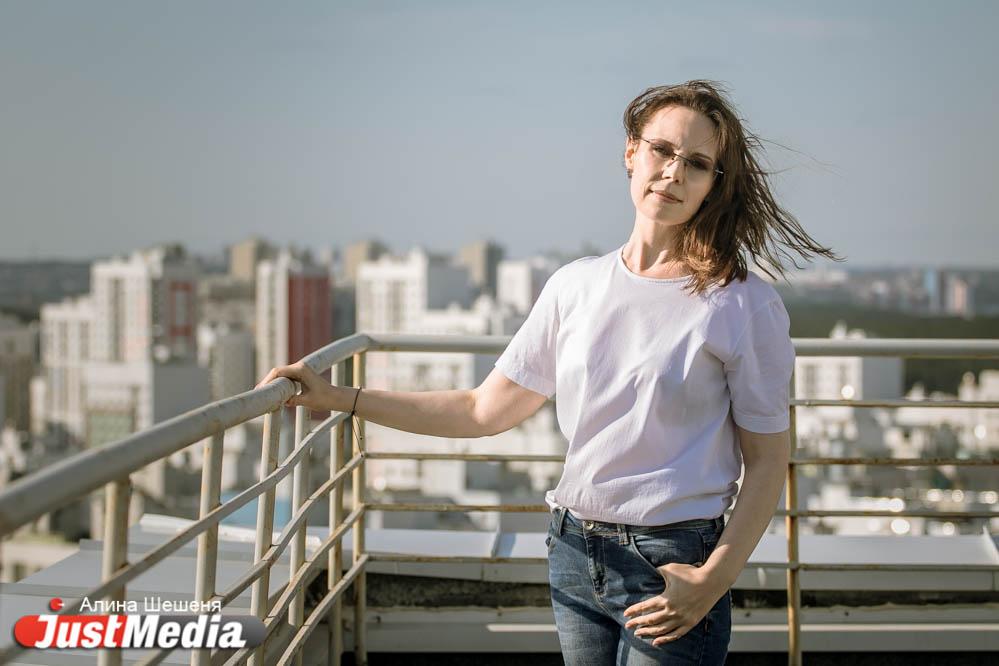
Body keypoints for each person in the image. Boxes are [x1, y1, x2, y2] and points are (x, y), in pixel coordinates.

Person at [256, 79, 841, 665]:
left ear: (714, 183)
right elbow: (482, 410)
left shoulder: (741, 304)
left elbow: (768, 461)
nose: (673, 172)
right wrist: (339, 397)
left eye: (696, 163)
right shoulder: (575, 286)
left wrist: (713, 580)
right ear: (631, 153)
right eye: (662, 150)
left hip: (675, 560)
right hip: (574, 551)